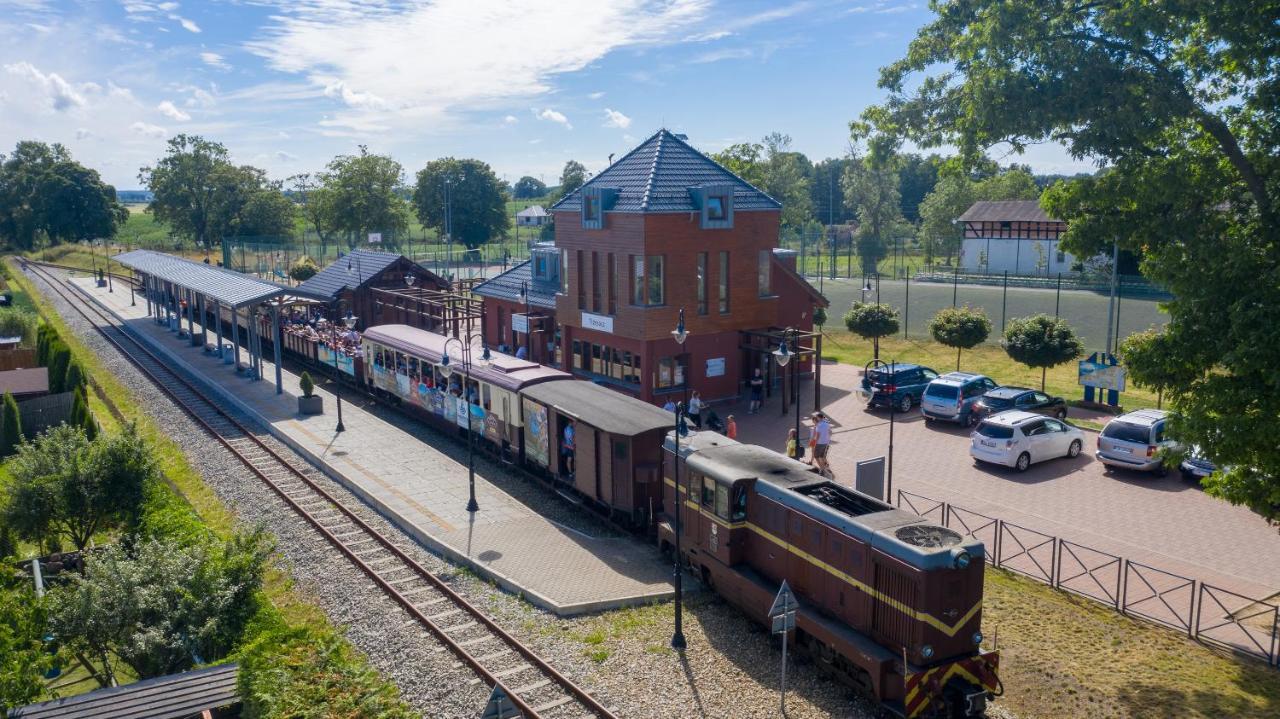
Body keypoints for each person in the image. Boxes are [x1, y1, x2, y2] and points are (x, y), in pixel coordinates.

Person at [811, 411, 833, 477]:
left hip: (819, 443)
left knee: (816, 456)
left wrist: (815, 444)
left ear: (818, 418)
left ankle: (822, 469)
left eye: (817, 418)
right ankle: (824, 469)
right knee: (822, 456)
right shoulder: (827, 424)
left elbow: (818, 435)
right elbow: (830, 432)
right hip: (826, 443)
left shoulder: (819, 425)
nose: (816, 419)